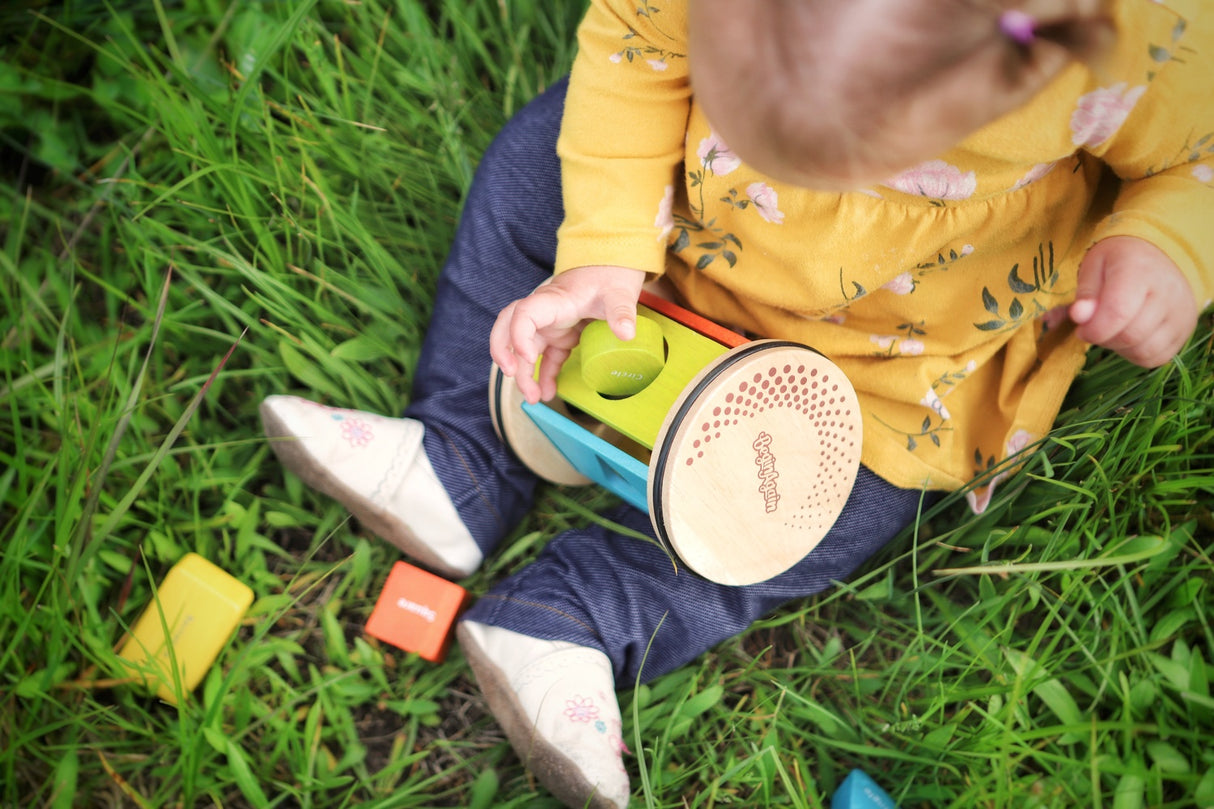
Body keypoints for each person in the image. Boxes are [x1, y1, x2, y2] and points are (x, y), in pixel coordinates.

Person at [260, 1, 1213, 806]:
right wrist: (600, 243)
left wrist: (1165, 245)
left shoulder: (1138, 39)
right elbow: (636, 47)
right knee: (529, 174)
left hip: (895, 339)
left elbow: (1199, 158)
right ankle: (462, 456)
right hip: (678, 213)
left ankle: (575, 614)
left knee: (849, 502)